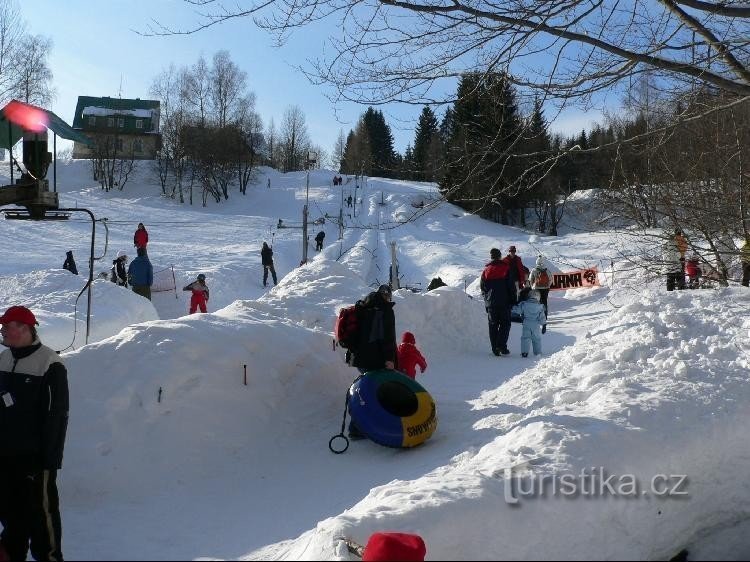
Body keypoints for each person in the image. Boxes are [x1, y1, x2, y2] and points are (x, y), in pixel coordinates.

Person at [0, 306, 68, 562]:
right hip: (5, 454)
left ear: (26, 329)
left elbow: (57, 415)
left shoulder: (49, 363)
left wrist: (48, 461)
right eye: (3, 327)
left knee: (41, 516)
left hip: (35, 458)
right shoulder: (4, 358)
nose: (4, 331)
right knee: (10, 513)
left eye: (9, 326)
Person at [347, 285, 397, 439]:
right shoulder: (385, 310)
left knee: (368, 391)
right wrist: (390, 359)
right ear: (387, 296)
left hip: (359, 357)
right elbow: (387, 338)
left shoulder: (364, 306)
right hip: (375, 359)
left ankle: (358, 426)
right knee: (373, 393)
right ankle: (357, 428)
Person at [480, 248, 515, 356]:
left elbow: (482, 288)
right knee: (505, 324)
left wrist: (487, 299)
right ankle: (501, 346)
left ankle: (495, 348)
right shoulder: (506, 268)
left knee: (493, 325)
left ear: (491, 257)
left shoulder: (486, 270)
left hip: (491, 303)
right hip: (504, 302)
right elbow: (511, 286)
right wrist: (513, 299)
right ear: (499, 256)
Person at [511, 290, 547, 357]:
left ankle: (524, 352)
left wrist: (512, 307)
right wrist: (544, 325)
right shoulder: (540, 307)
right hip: (536, 325)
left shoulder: (524, 304)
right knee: (536, 339)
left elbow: (518, 310)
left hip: (526, 323)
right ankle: (537, 352)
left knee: (525, 338)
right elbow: (542, 317)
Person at [529, 255, 552, 320]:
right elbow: (551, 279)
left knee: (537, 303)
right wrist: (548, 286)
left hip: (537, 288)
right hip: (546, 288)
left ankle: (537, 316)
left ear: (536, 262)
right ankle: (545, 316)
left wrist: (532, 287)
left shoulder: (534, 270)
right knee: (544, 302)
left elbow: (530, 279)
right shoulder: (547, 270)